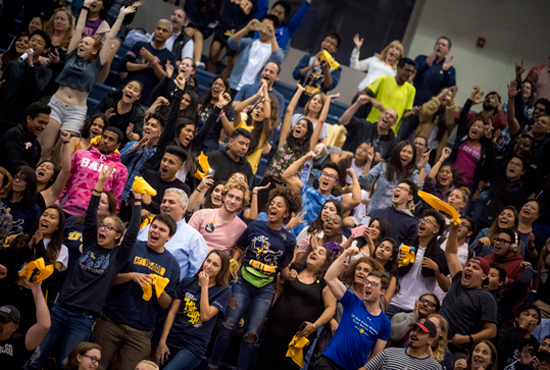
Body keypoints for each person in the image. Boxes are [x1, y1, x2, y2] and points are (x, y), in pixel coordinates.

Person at [24, 164, 142, 370]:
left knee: (66, 365)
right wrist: (99, 185)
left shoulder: (118, 255)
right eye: (102, 225)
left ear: (117, 236)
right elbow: (90, 216)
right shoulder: (90, 242)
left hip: (84, 317)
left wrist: (138, 201)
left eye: (109, 227)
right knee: (35, 359)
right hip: (60, 307)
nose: (103, 228)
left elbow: (132, 233)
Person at [207, 185, 299, 370]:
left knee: (250, 336)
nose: (273, 207)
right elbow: (240, 248)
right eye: (272, 203)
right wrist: (233, 262)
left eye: (278, 205)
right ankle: (211, 365)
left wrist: (290, 275)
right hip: (242, 283)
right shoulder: (255, 225)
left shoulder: (289, 239)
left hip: (265, 291)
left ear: (286, 214)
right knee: (228, 326)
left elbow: (284, 269)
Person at [39, 1, 139, 160]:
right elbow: (78, 28)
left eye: (87, 43)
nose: (82, 43)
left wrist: (120, 16)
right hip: (56, 104)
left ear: (94, 50)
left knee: (64, 155)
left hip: (76, 111)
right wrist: (84, 6)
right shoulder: (71, 54)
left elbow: (110, 38)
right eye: (81, 42)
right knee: (44, 149)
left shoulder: (97, 63)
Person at [93, 214, 181, 370]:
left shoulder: (172, 264)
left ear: (170, 237)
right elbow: (108, 280)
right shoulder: (131, 247)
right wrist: (131, 276)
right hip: (111, 321)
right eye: (154, 227)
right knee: (95, 367)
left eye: (162, 230)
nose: (156, 231)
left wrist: (156, 288)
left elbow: (166, 304)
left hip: (141, 332)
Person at [255, 244, 337, 370]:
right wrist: (284, 276)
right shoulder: (295, 269)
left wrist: (314, 326)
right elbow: (279, 281)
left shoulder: (325, 282)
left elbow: (330, 308)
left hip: (297, 337)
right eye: (314, 250)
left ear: (325, 263)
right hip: (273, 329)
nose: (314, 252)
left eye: (320, 252)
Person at [157, 250, 231, 370]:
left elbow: (205, 316)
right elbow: (172, 312)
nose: (209, 266)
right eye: (208, 261)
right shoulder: (187, 281)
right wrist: (162, 341)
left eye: (215, 265)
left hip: (193, 345)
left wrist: (204, 287)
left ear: (221, 270)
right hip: (173, 338)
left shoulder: (223, 291)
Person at [257, 84, 327, 210]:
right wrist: (300, 90)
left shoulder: (307, 150)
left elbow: (321, 121)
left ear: (307, 134)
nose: (299, 126)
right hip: (269, 184)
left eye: (303, 126)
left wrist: (327, 101)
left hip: (285, 190)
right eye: (298, 124)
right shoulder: (284, 141)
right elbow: (289, 110)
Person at [320, 246, 391, 370]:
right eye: (367, 282)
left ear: (382, 291)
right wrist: (346, 253)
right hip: (329, 362)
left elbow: (376, 356)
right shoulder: (352, 301)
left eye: (373, 284)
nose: (368, 286)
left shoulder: (385, 323)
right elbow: (329, 277)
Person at [0, 205, 67, 331]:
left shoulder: (62, 250)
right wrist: (28, 248)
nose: (46, 218)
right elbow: (8, 264)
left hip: (30, 300)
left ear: (58, 226)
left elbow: (50, 276)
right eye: (45, 215)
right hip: (9, 290)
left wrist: (39, 245)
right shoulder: (22, 238)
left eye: (52, 217)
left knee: (17, 337)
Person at [442, 222, 498, 360]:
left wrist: (466, 339)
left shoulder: (486, 297)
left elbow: (491, 331)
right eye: (468, 265)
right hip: (435, 341)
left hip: (457, 350)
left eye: (475, 268)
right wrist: (454, 227)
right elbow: (450, 252)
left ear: (484, 276)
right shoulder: (458, 280)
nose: (469, 269)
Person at [388, 210, 449, 317]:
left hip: (416, 307)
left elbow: (446, 287)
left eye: (428, 221)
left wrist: (436, 269)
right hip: (393, 301)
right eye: (422, 220)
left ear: (436, 230)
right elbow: (393, 271)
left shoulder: (439, 254)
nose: (422, 223)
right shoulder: (407, 245)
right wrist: (397, 261)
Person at [138, 188, 208, 280]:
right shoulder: (148, 228)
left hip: (169, 292)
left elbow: (196, 275)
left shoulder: (194, 238)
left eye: (171, 202)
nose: (165, 205)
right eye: (164, 201)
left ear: (183, 208)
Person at [57, 127, 128, 216]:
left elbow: (115, 200)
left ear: (118, 145)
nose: (105, 141)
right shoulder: (80, 155)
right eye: (104, 137)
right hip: (68, 209)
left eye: (111, 139)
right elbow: (65, 181)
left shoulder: (120, 169)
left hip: (94, 217)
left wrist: (110, 219)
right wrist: (57, 201)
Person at [283, 154, 361, 235]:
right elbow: (286, 176)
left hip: (315, 242)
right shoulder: (306, 190)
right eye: (324, 174)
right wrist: (304, 158)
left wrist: (354, 177)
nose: (326, 178)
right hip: (293, 236)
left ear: (336, 183)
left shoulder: (336, 202)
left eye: (331, 176)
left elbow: (356, 200)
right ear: (319, 177)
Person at [0, 31, 52, 137]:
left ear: (45, 50)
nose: (34, 43)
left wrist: (30, 65)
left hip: (20, 122)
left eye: (39, 42)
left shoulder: (45, 72)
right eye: (32, 40)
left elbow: (35, 89)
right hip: (2, 114)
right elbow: (3, 88)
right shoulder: (13, 65)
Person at [119, 18, 177, 106]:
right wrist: (145, 66)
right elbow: (123, 65)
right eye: (158, 28)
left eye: (164, 30)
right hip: (126, 93)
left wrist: (153, 61)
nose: (160, 32)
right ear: (154, 30)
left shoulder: (171, 56)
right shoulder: (140, 45)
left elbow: (165, 79)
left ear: (170, 35)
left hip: (147, 101)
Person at [189, 179, 249, 256]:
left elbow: (242, 253)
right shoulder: (201, 214)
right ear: (223, 197)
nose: (233, 201)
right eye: (230, 196)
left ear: (242, 204)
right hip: (194, 260)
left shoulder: (242, 228)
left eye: (238, 199)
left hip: (220, 266)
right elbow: (187, 239)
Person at [448, 86, 492, 189]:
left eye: (479, 127)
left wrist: (478, 190)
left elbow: (484, 171)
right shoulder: (462, 138)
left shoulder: (484, 149)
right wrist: (471, 97)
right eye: (474, 125)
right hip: (450, 180)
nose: (475, 127)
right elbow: (463, 115)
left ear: (483, 133)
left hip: (467, 187)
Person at [359, 140, 422, 213]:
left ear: (413, 157)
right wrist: (369, 161)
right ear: (397, 152)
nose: (406, 154)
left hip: (395, 215)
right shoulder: (384, 166)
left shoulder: (413, 173)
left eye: (409, 153)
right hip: (374, 210)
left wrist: (423, 167)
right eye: (403, 151)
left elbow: (417, 194)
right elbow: (364, 182)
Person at [227, 16, 284, 94]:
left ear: (274, 30)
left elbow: (279, 58)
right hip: (234, 86)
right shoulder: (249, 43)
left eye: (268, 28)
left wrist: (272, 36)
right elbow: (231, 42)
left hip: (252, 92)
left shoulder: (272, 50)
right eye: (262, 26)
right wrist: (247, 28)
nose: (264, 30)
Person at [350, 38, 403, 118]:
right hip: (361, 95)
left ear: (399, 55)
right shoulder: (375, 60)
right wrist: (356, 49)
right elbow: (355, 66)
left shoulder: (396, 72)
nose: (393, 50)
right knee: (351, 123)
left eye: (397, 49)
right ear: (387, 49)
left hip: (376, 103)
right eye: (392, 47)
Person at [362, 58, 417, 134]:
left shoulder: (411, 90)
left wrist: (412, 112)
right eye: (407, 70)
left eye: (412, 71)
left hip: (390, 131)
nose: (410, 74)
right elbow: (362, 93)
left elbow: (404, 115)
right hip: (373, 124)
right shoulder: (383, 79)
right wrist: (372, 100)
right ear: (399, 69)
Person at [134, 146, 191, 220]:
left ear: (179, 168)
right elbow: (132, 197)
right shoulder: (149, 175)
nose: (165, 164)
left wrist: (151, 203)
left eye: (171, 162)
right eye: (164, 160)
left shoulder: (183, 189)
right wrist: (140, 209)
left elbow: (174, 214)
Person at [232, 81, 277, 173]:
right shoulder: (242, 124)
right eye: (256, 108)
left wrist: (265, 93)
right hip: (231, 166)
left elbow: (268, 116)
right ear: (251, 110)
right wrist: (256, 95)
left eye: (262, 110)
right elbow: (237, 110)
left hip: (246, 173)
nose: (258, 111)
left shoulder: (264, 133)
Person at [362, 318, 441, 370]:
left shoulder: (434, 367)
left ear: (430, 340)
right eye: (413, 329)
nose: (414, 333)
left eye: (421, 332)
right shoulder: (389, 353)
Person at [0, 290, 51, 368]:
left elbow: (44, 325)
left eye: (4, 321)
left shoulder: (19, 344)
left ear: (15, 327)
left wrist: (36, 289)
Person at [120, 113, 164, 202]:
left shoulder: (158, 156)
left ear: (160, 133)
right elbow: (117, 162)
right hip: (116, 194)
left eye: (153, 126)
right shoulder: (131, 145)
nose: (148, 127)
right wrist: (134, 149)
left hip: (133, 200)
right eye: (147, 124)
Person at [0, 102, 51, 175]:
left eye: (46, 123)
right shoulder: (13, 135)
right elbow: (15, 166)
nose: (44, 127)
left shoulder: (37, 145)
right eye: (41, 122)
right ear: (29, 119)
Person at [293, 33, 342, 107]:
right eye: (326, 41)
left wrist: (326, 69)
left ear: (335, 49)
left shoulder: (335, 67)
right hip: (299, 101)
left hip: (316, 106)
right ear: (322, 42)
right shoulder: (308, 58)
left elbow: (329, 86)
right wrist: (311, 66)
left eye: (332, 44)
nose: (327, 44)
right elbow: (296, 75)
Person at [94, 80, 145, 148]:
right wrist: (103, 119)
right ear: (123, 89)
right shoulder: (108, 102)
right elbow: (92, 118)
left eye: (135, 90)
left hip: (120, 148)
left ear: (138, 97)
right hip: (99, 141)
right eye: (129, 87)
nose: (131, 91)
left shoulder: (138, 114)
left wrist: (130, 135)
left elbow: (138, 136)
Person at [414, 86, 459, 163]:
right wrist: (438, 98)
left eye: (448, 95)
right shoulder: (431, 106)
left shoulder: (450, 113)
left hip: (435, 150)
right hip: (419, 146)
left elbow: (451, 121)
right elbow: (425, 111)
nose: (445, 96)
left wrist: (452, 102)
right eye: (443, 93)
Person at [369, 180, 419, 245]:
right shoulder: (377, 213)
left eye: (402, 189)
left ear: (410, 197)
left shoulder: (412, 223)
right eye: (396, 187)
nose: (397, 189)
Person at [412, 37, 456, 107]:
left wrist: (445, 72)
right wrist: (426, 65)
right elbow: (411, 77)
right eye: (438, 44)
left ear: (448, 50)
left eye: (443, 45)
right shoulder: (421, 59)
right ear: (434, 46)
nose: (440, 46)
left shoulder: (450, 70)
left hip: (431, 107)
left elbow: (450, 90)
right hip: (412, 100)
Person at [40, 8, 73, 99]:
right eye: (57, 18)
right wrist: (39, 58)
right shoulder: (42, 36)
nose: (58, 21)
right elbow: (29, 52)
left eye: (62, 19)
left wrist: (58, 62)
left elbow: (70, 68)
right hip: (35, 76)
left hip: (53, 85)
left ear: (69, 24)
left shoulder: (71, 44)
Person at [495, 304, 541, 370]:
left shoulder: (535, 344)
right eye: (526, 315)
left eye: (535, 317)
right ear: (517, 317)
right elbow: (500, 352)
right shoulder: (504, 334)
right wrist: (521, 328)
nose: (530, 319)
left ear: (537, 324)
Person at [35, 132, 73, 210]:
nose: (43, 168)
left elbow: (66, 170)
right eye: (41, 166)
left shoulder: (50, 193)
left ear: (52, 177)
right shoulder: (23, 187)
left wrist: (66, 142)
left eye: (48, 168)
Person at [197, 75, 234, 152]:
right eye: (215, 83)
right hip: (195, 140)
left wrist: (221, 110)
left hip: (210, 146)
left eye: (220, 85)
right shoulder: (201, 103)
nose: (216, 86)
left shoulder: (228, 109)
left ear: (225, 90)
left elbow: (230, 133)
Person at [2, 166, 41, 235]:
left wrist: (19, 238)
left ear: (29, 184)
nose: (17, 180)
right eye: (16, 177)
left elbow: (33, 234)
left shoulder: (33, 209)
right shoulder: (2, 200)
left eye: (22, 178)